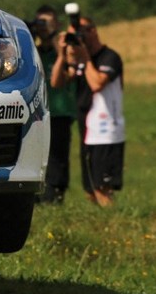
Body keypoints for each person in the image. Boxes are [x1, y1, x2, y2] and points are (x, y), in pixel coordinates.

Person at [51, 15, 125, 207]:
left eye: (80, 33)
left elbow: (97, 83)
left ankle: (114, 224)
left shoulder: (110, 57)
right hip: (88, 130)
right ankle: (102, 226)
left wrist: (84, 57)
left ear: (93, 30)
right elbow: (56, 83)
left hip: (107, 131)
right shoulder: (81, 61)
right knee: (90, 190)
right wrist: (61, 54)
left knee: (102, 188)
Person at [31, 5, 77, 204]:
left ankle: (56, 194)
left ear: (56, 24)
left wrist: (55, 39)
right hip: (38, 113)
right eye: (39, 23)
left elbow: (67, 71)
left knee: (57, 157)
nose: (42, 28)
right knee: (36, 154)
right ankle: (36, 194)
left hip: (59, 112)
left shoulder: (65, 49)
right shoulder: (35, 52)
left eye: (46, 23)